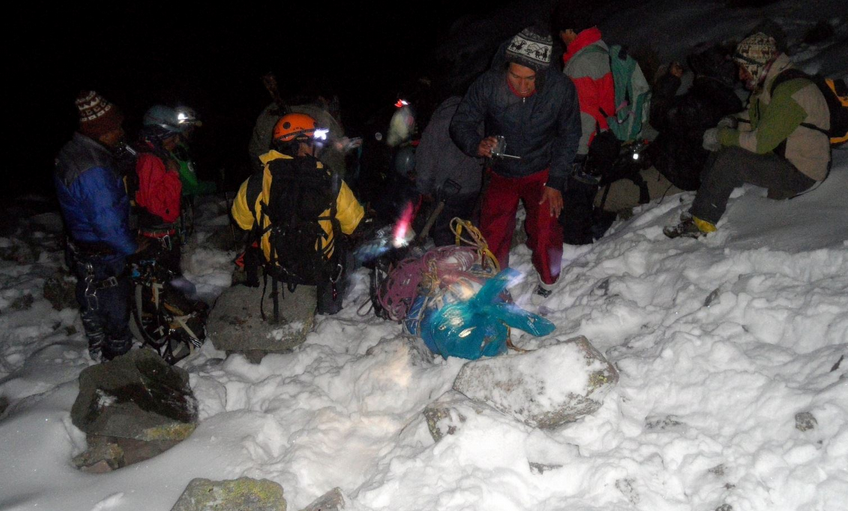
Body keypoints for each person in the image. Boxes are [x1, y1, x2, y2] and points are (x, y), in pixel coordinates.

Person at [450, 25, 581, 300]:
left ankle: (548, 280)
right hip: (502, 171)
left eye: (530, 79)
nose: (522, 86)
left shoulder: (560, 89)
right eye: (515, 76)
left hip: (542, 168)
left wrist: (556, 181)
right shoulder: (489, 84)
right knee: (493, 231)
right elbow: (461, 122)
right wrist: (477, 144)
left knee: (545, 227)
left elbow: (570, 135)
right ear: (506, 66)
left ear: (542, 74)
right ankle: (495, 285)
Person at [664, 32, 831, 238]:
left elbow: (759, 143)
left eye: (744, 69)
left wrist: (723, 135)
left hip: (804, 171)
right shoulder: (772, 82)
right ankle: (704, 196)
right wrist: (732, 122)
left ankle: (702, 222)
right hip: (784, 156)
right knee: (727, 144)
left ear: (756, 64)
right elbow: (755, 117)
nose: (740, 75)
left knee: (732, 159)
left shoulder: (791, 91)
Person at [232, 113, 365, 315]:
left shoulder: (258, 181)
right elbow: (353, 224)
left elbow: (242, 221)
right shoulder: (329, 178)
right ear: (302, 143)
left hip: (276, 266)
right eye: (313, 141)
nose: (316, 147)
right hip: (319, 266)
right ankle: (330, 305)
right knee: (347, 245)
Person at [54, 91, 140, 361]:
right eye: (117, 128)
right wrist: (132, 247)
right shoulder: (92, 168)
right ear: (104, 131)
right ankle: (116, 359)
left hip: (83, 242)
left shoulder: (77, 150)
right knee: (113, 303)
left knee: (93, 298)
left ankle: (97, 342)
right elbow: (107, 222)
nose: (122, 132)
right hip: (102, 251)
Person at [554, 4, 617, 245]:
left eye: (561, 31)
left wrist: (577, 153)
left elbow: (584, 112)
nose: (560, 37)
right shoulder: (598, 50)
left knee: (574, 204)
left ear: (570, 30)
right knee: (584, 200)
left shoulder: (581, 63)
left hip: (587, 143)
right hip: (603, 136)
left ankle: (575, 249)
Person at [415, 95, 484, 246]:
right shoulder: (480, 115)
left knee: (446, 234)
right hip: (475, 186)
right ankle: (468, 262)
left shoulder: (440, 120)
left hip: (450, 189)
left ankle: (449, 265)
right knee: (469, 230)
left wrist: (424, 188)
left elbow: (427, 156)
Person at [134, 105, 185, 274]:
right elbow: (160, 207)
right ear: (159, 134)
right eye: (172, 136)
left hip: (157, 235)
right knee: (165, 286)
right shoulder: (150, 160)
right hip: (155, 239)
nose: (176, 141)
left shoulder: (155, 155)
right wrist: (173, 174)